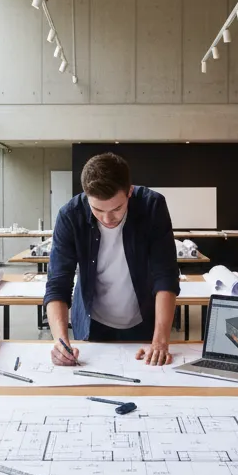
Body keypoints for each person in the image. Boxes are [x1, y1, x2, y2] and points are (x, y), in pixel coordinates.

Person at [44, 152, 180, 366]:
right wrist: (60, 341)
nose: (107, 219)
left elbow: (166, 275)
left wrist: (160, 340)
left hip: (142, 320)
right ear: (86, 196)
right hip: (91, 323)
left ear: (130, 192)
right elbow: (57, 284)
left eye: (117, 209)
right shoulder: (70, 215)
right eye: (97, 209)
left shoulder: (152, 206)